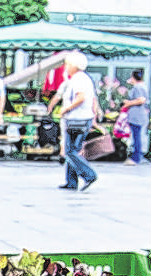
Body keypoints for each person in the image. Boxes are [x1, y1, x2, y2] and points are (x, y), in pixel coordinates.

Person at [53, 51, 97, 191]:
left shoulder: (78, 79)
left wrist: (66, 109)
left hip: (77, 119)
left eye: (67, 64)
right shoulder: (82, 78)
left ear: (74, 65)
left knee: (70, 151)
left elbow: (80, 97)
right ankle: (71, 181)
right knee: (72, 150)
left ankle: (89, 174)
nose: (65, 67)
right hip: (80, 119)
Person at [121, 69, 150, 165]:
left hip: (137, 116)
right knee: (137, 136)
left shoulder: (138, 87)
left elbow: (141, 100)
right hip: (137, 115)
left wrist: (128, 103)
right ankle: (138, 156)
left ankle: (136, 158)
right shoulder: (142, 86)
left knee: (137, 137)